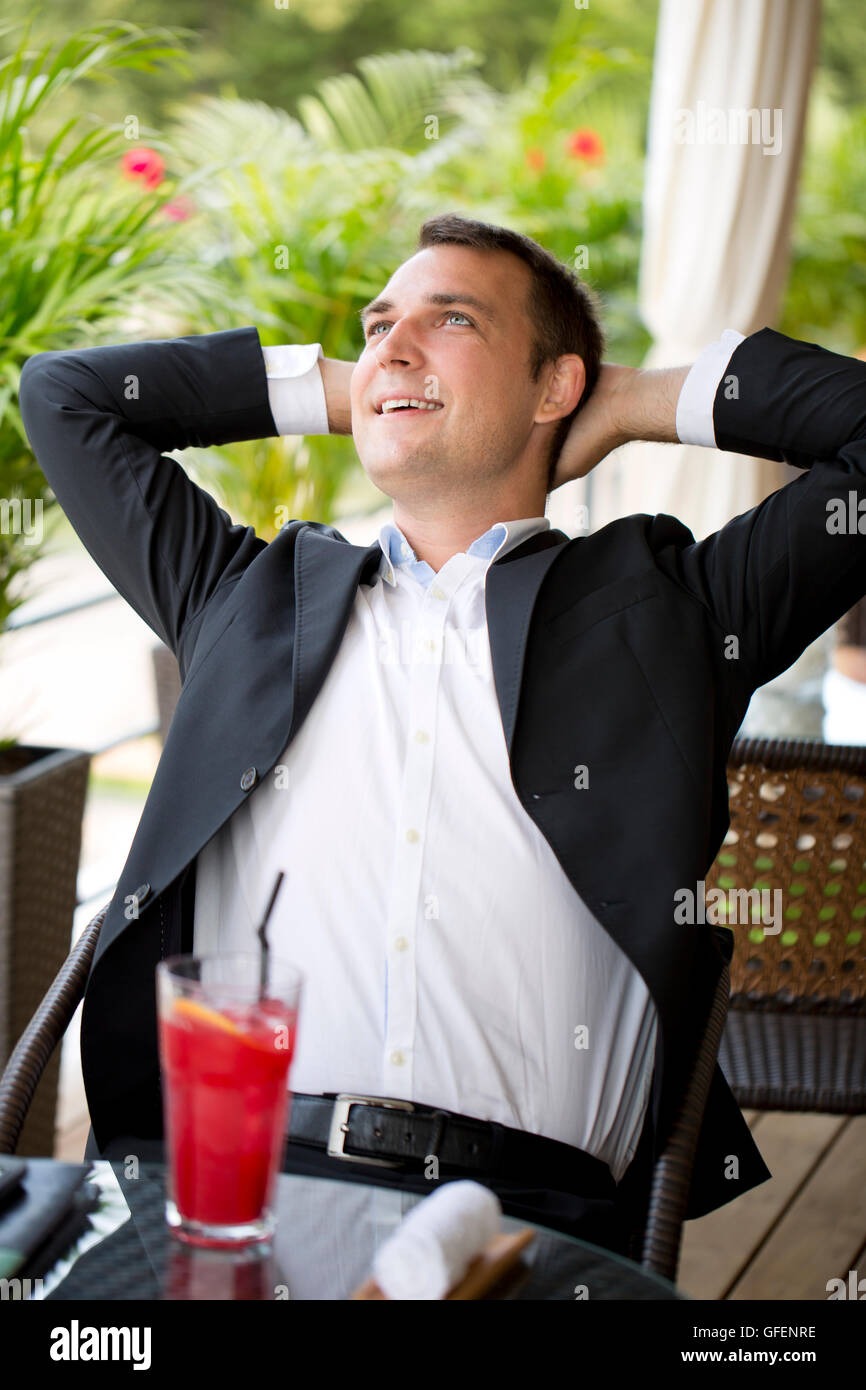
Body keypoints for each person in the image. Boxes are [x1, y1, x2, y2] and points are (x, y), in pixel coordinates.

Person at [19, 213, 865, 1258]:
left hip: (528, 1223)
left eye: (449, 318)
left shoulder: (670, 610)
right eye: (379, 326)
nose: (391, 343)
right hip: (230, 1191)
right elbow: (64, 395)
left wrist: (636, 400)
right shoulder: (241, 596)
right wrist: (372, 390)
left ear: (555, 386)